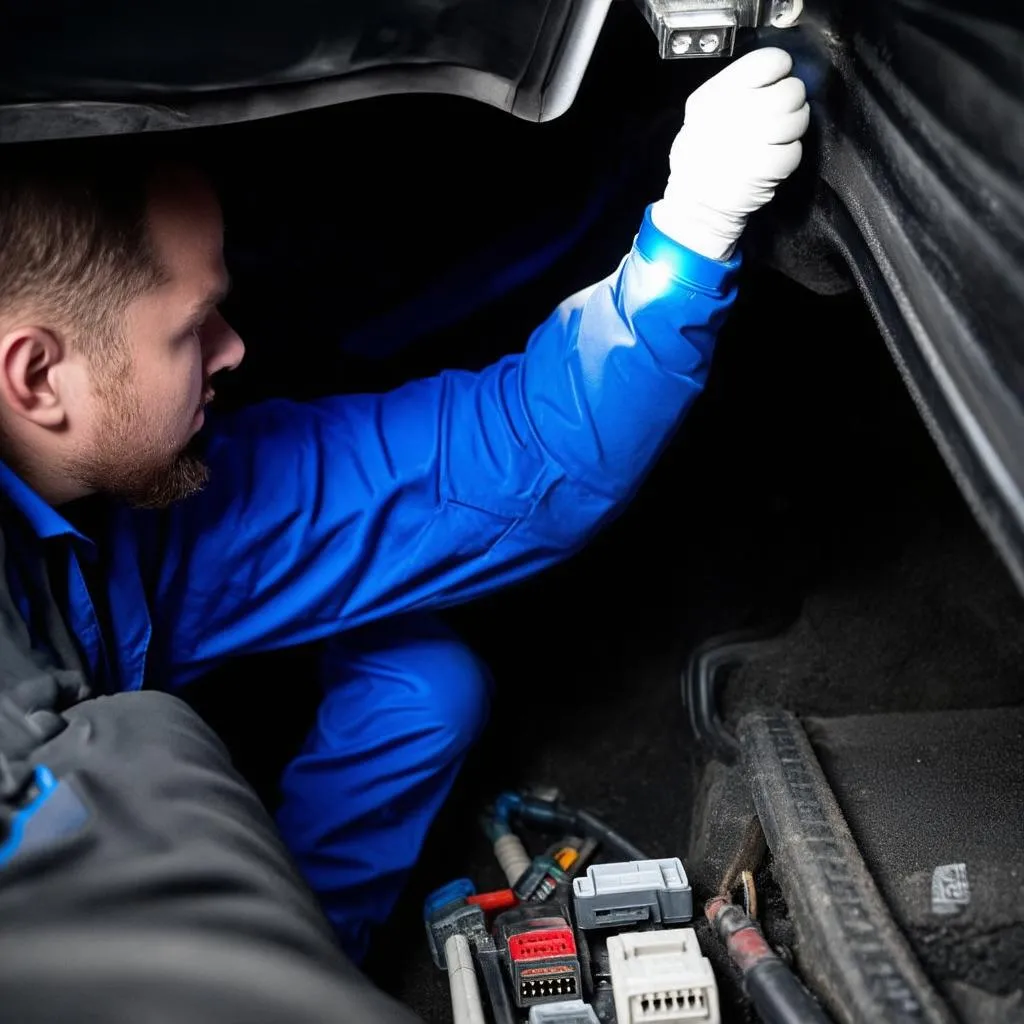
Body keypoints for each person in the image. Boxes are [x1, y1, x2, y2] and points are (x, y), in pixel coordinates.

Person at [0, 48, 808, 960]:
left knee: (425, 686)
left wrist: (692, 230)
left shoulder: (147, 494)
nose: (234, 352)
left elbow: (509, 454)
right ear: (37, 377)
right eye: (192, 329)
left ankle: (312, 949)